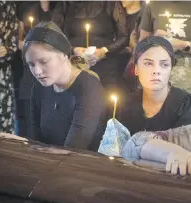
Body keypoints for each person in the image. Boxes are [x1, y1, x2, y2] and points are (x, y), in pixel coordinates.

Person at [24, 21, 107, 151]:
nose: (37, 72)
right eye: (31, 65)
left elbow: (74, 150)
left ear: (63, 54)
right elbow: (34, 142)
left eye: (44, 61)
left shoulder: (89, 88)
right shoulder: (39, 87)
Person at [118, 36, 191, 135]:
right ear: (136, 68)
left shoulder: (188, 105)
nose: (156, 71)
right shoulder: (124, 105)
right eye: (148, 64)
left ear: (171, 68)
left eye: (164, 65)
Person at [139, 1, 191, 100]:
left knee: (189, 112)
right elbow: (142, 45)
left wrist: (182, 45)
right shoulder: (153, 4)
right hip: (156, 75)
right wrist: (156, 39)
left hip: (188, 77)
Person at [52, 1, 129, 90]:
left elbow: (124, 36)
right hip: (73, 65)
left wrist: (104, 51)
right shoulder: (65, 3)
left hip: (105, 66)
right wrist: (73, 50)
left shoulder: (111, 3)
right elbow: (54, 36)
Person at [14, 0, 57, 137]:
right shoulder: (25, 7)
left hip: (52, 73)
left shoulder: (61, 6)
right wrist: (30, 43)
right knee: (29, 122)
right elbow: (17, 41)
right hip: (30, 71)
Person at [0, 1, 18, 133]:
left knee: (4, 122)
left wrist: (6, 50)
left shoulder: (8, 5)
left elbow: (13, 42)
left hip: (1, 73)